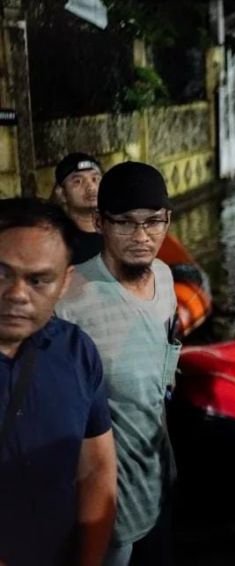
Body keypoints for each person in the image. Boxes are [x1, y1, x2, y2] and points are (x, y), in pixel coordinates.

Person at [56, 162, 180, 566]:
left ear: (168, 220)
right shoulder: (68, 300)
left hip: (158, 478)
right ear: (98, 222)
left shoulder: (165, 278)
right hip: (105, 501)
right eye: (124, 223)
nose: (142, 237)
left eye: (153, 222)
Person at [0, 198, 116, 566]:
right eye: (1, 274)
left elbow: (97, 468)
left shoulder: (77, 352)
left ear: (65, 281)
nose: (17, 294)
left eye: (38, 280)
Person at [52, 152, 104, 264]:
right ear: (61, 193)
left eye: (95, 179)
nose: (91, 187)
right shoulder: (58, 239)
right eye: (78, 181)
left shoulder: (117, 232)